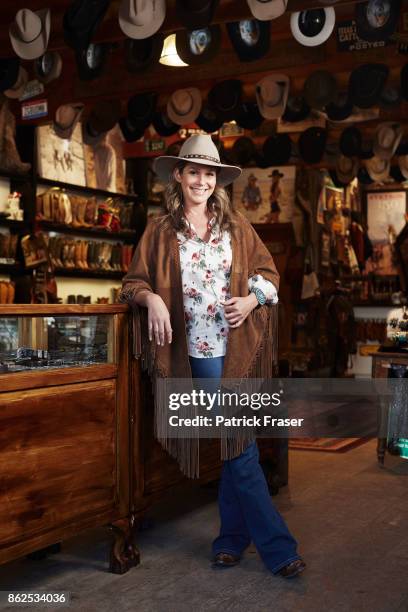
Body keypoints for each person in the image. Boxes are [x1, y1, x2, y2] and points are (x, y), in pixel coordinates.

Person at [120, 134, 305, 578]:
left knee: (232, 445)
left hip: (237, 351)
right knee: (238, 445)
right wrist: (153, 301)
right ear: (179, 176)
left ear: (216, 180)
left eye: (209, 173)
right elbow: (132, 283)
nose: (201, 180)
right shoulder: (161, 230)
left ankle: (231, 539)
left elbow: (270, 276)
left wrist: (252, 301)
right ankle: (278, 548)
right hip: (197, 352)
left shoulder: (237, 227)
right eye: (193, 171)